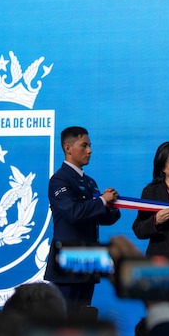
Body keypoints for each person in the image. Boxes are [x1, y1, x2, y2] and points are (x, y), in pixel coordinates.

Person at [44, 126, 121, 313]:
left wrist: (113, 206)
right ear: (68, 148)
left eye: (90, 145)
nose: (90, 150)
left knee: (84, 317)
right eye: (84, 145)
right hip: (68, 256)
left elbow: (101, 217)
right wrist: (102, 200)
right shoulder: (59, 180)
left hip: (90, 257)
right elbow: (73, 213)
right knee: (66, 318)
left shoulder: (89, 182)